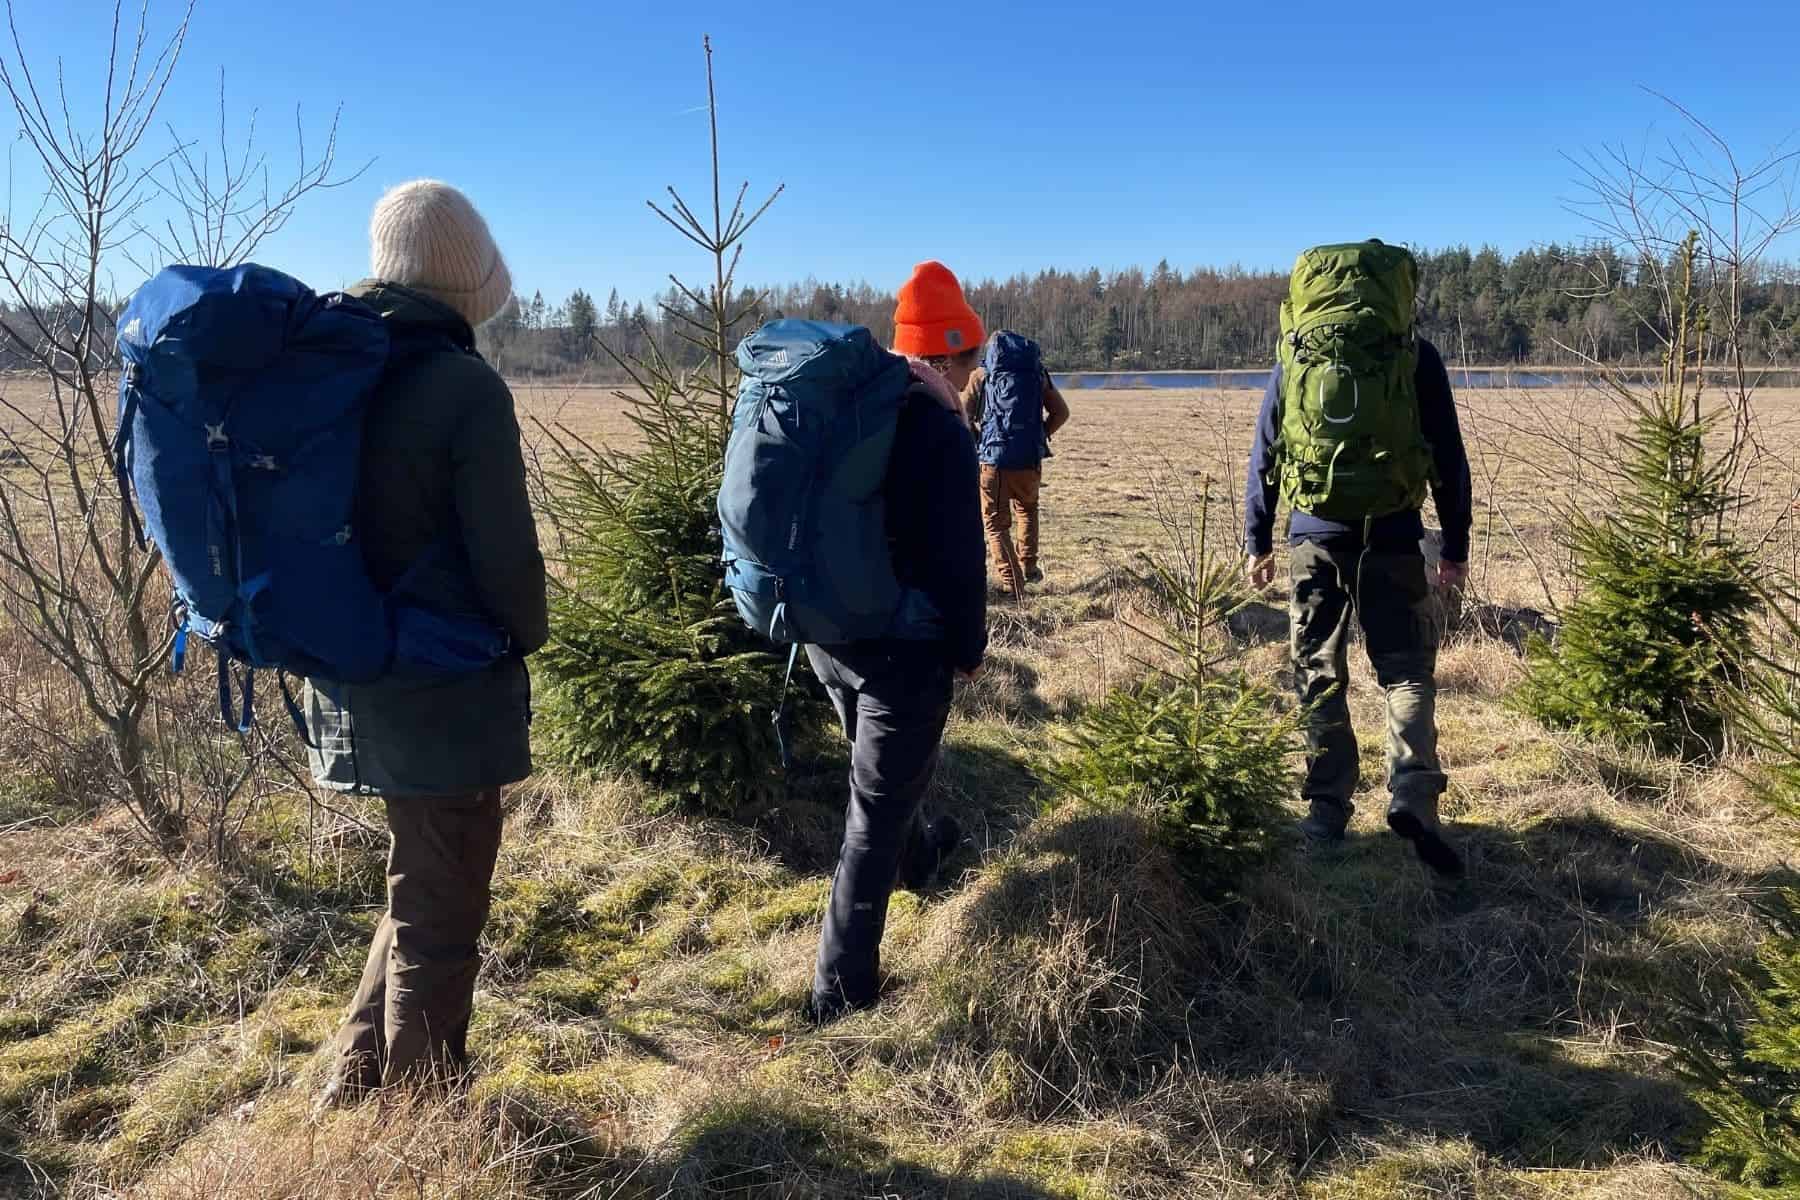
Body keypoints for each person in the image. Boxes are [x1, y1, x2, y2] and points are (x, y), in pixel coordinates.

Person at [310, 180, 548, 1106]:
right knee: (444, 911)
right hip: (442, 680)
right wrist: (529, 635)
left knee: (422, 881)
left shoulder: (343, 368)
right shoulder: (462, 388)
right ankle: (419, 1122)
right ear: (465, 283)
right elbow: (508, 559)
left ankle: (352, 1079)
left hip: (353, 666)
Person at [1244, 241, 1472, 878]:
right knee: (1406, 669)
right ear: (1399, 292)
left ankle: (1324, 811)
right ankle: (1413, 792)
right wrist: (1454, 546)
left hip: (1314, 533)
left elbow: (1265, 449)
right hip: (1395, 528)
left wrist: (1256, 538)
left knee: (1318, 669)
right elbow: (1448, 457)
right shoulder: (1413, 355)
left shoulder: (1297, 353)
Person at [802, 264, 989, 1024]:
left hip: (830, 636)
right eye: (971, 359)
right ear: (947, 357)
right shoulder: (937, 426)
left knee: (882, 777)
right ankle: (837, 994)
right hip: (902, 651)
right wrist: (970, 648)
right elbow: (958, 559)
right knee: (870, 821)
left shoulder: (854, 407)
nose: (974, 375)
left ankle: (923, 856)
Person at [961, 331, 1072, 594]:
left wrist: (979, 442)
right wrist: (1040, 434)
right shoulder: (1037, 374)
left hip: (993, 460)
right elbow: (1062, 412)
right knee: (1028, 509)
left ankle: (1013, 584)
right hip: (1029, 459)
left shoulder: (981, 375)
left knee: (996, 524)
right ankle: (1029, 567)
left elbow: (962, 414)